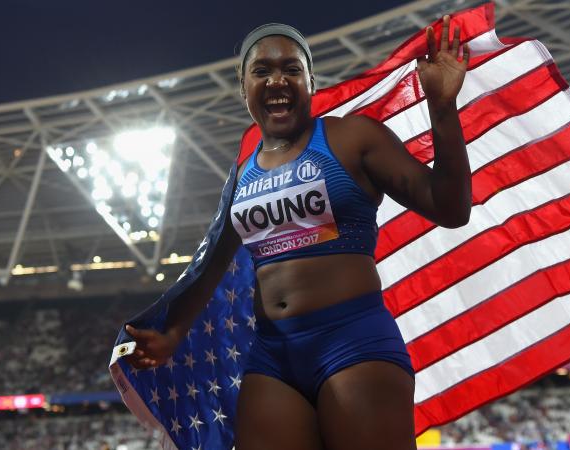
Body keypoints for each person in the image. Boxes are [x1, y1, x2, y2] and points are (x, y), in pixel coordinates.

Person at [124, 15, 471, 450]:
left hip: (352, 340)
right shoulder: (241, 175)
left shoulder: (352, 138)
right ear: (243, 86)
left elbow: (451, 208)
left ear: (310, 81)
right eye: (262, 71)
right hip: (272, 356)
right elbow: (211, 267)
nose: (277, 80)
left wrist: (442, 109)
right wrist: (174, 334)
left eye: (291, 69)